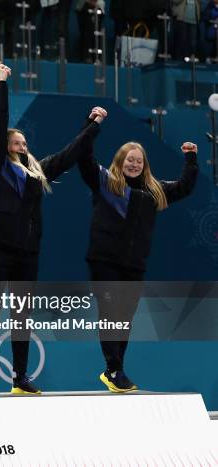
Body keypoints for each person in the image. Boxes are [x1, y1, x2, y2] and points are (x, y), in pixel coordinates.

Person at [0, 69, 105, 395]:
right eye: (15, 142)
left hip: (27, 251)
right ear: (4, 146)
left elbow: (71, 153)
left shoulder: (38, 171)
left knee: (22, 316)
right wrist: (2, 84)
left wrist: (91, 125)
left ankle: (20, 377)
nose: (21, 145)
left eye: (24, 142)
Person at [78, 137, 198, 392]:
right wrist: (92, 126)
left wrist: (190, 158)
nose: (134, 164)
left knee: (124, 318)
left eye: (138, 161)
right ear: (120, 162)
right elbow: (85, 160)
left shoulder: (153, 191)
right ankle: (113, 369)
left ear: (145, 165)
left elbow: (185, 187)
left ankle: (115, 368)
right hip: (104, 261)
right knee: (110, 314)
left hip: (134, 265)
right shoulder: (106, 183)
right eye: (129, 160)